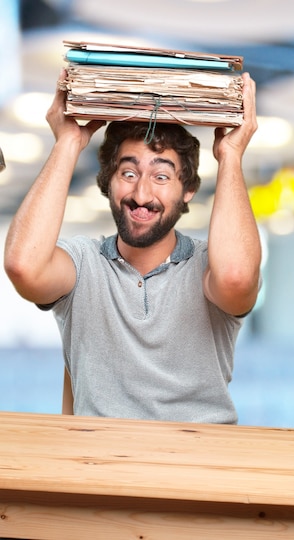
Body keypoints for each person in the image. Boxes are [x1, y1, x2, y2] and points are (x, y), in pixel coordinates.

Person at [3, 70, 262, 424]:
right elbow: (24, 266)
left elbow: (235, 277)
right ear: (108, 183)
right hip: (102, 468)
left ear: (187, 190)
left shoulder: (209, 265)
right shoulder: (83, 265)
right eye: (128, 173)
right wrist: (67, 142)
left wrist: (231, 155)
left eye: (161, 176)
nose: (141, 194)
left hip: (200, 464)